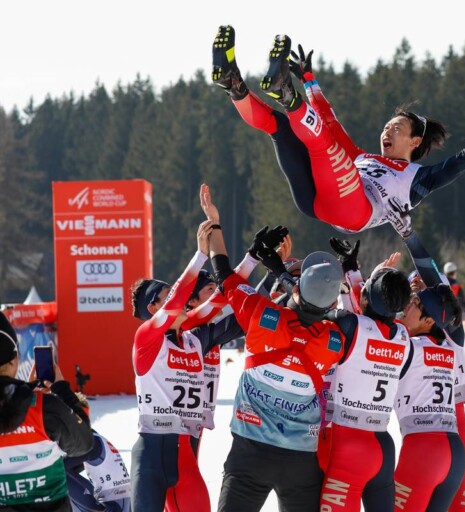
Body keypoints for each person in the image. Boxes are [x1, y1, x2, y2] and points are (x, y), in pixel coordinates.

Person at [211, 25, 465, 233]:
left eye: (397, 128)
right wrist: (309, 79)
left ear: (415, 140)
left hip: (354, 212)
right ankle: (233, 84)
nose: (387, 132)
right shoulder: (363, 157)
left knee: (326, 147)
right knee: (280, 127)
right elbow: (329, 122)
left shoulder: (418, 179)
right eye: (387, 126)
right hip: (314, 200)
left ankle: (284, 93)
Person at [199, 184, 348, 511]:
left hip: (249, 454)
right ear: (333, 301)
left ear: (297, 289)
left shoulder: (262, 314)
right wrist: (283, 273)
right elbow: (341, 313)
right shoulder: (334, 339)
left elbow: (223, 274)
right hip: (300, 461)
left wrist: (216, 225)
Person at [129, 220, 245, 512]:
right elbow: (179, 299)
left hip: (186, 454)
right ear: (153, 309)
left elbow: (218, 300)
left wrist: (254, 258)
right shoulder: (147, 337)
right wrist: (200, 254)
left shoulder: (192, 338)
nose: (178, 299)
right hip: (152, 456)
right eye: (167, 296)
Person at [319, 238, 413, 512]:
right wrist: (352, 268)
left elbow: (311, 304)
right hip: (382, 444)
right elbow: (372, 307)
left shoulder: (352, 324)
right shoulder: (403, 335)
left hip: (349, 445)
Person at [388, 221, 465, 511]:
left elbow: (368, 321)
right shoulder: (452, 340)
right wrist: (410, 237)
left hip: (423, 451)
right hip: (454, 453)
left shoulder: (404, 343)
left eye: (414, 305)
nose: (406, 307)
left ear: (429, 320)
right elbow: (439, 285)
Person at [0, 311, 94, 512]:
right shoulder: (45, 407)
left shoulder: (43, 406)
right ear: (14, 361)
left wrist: (22, 392)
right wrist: (61, 390)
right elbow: (84, 442)